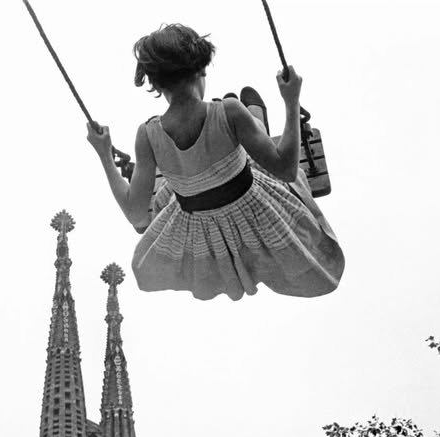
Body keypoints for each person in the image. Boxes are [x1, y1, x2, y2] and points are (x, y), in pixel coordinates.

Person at [87, 24, 344, 301]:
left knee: (185, 182)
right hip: (253, 212)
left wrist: (104, 154)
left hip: (203, 237)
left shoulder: (147, 135)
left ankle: (251, 126)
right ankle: (256, 120)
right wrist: (291, 102)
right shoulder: (227, 113)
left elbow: (136, 214)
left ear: (157, 84)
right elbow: (285, 169)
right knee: (247, 141)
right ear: (201, 71)